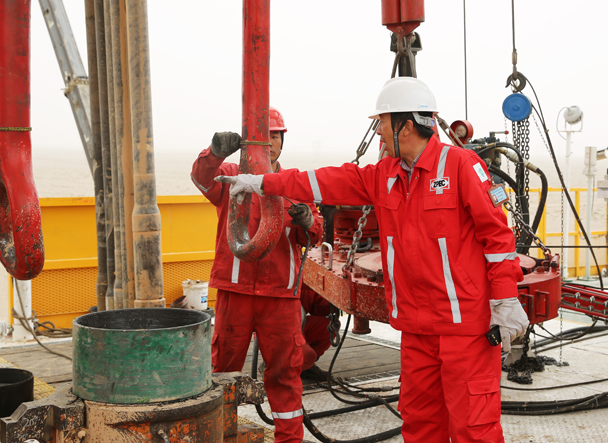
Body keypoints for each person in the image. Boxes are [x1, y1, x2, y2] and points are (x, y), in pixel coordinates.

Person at [216, 77, 530, 443]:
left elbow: (498, 236)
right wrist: (263, 183)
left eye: (381, 122)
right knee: (421, 426)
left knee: (474, 429)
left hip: (465, 329)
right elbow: (325, 182)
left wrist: (505, 298)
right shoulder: (386, 175)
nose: (378, 131)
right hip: (416, 330)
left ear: (405, 126)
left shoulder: (461, 166)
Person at [191, 107, 323, 443]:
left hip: (280, 297)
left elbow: (315, 233)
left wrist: (308, 221)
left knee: (285, 375)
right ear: (250, 141)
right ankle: (218, 436)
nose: (269, 143)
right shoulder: (231, 175)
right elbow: (202, 178)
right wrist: (215, 152)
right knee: (222, 374)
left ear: (282, 141)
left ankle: (289, 439)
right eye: (263, 136)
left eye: (275, 136)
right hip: (235, 292)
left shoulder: (294, 183)